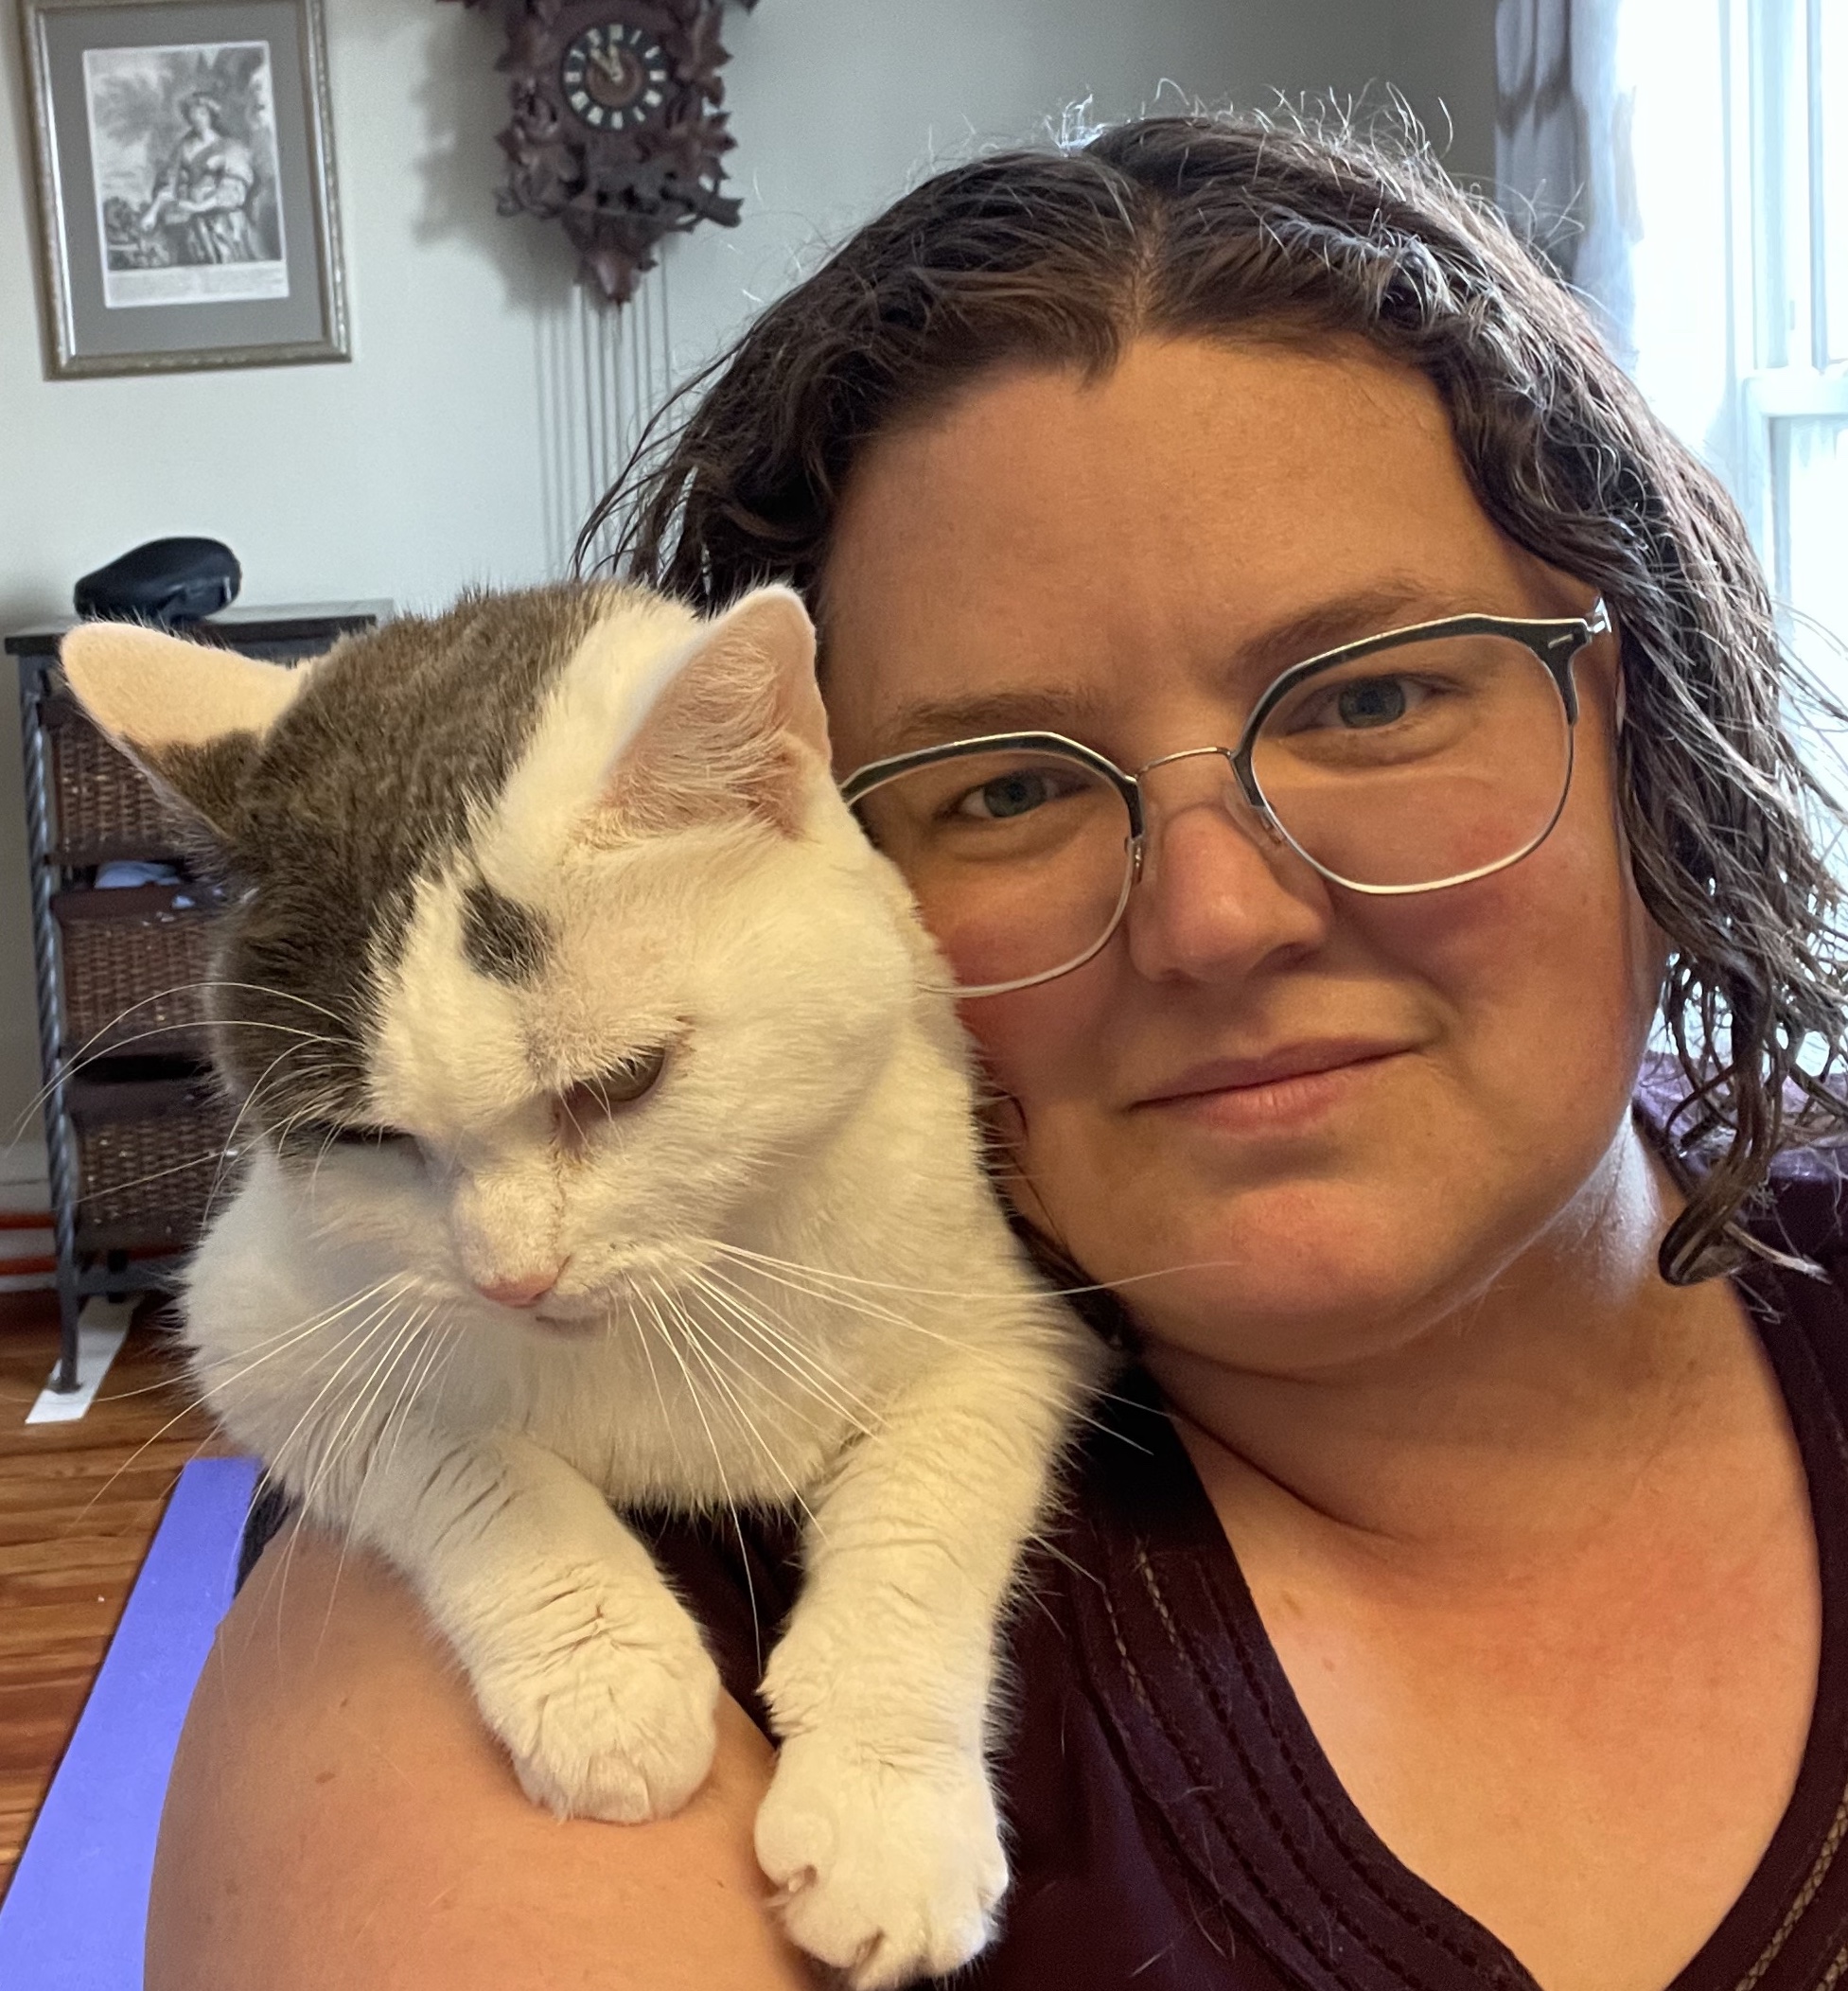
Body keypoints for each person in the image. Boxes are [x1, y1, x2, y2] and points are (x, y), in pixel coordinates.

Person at [148, 112, 1848, 1991]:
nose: (1216, 915)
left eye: (1370, 695)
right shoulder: (490, 1658)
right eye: (1010, 788)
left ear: (1630, 716)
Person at [138, 94, 263, 266]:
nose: (196, 118)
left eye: (201, 113)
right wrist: (152, 213)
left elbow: (235, 190)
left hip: (224, 223)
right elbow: (170, 183)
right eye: (192, 114)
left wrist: (198, 207)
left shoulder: (230, 147)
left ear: (211, 115)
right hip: (195, 226)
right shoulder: (183, 147)